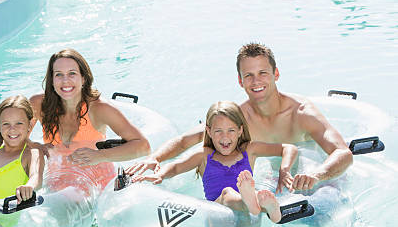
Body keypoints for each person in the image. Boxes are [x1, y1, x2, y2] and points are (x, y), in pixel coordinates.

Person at [127, 43, 353, 193]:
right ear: (240, 81)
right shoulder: (239, 118)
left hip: (314, 175)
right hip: (271, 178)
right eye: (249, 76)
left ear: (276, 74)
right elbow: (187, 140)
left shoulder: (302, 113)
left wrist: (318, 174)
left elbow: (342, 152)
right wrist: (155, 158)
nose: (256, 82)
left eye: (263, 73)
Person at [133, 101, 297, 222]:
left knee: (251, 200)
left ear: (240, 130)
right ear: (209, 131)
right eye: (218, 131)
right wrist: (160, 174)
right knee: (227, 193)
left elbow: (288, 148)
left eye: (231, 131)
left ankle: (266, 208)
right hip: (218, 221)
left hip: (247, 221)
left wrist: (284, 171)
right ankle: (257, 205)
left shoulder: (249, 149)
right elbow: (176, 167)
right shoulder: (204, 155)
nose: (225, 137)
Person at [29, 48, 150, 187]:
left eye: (72, 73)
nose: (65, 81)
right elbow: (13, 138)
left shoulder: (99, 109)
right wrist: (36, 146)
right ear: (52, 80)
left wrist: (100, 155)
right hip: (58, 181)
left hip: (98, 184)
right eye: (58, 75)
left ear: (83, 78)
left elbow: (143, 146)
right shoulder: (38, 104)